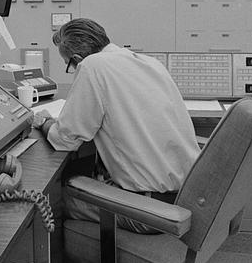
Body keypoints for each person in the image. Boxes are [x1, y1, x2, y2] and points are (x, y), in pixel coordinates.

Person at [30, 18, 200, 234]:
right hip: (185, 198)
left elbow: (65, 140)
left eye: (69, 65)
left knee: (51, 201)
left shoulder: (92, 66)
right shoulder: (149, 63)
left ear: (77, 58)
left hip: (149, 211)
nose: (73, 69)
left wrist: (44, 122)